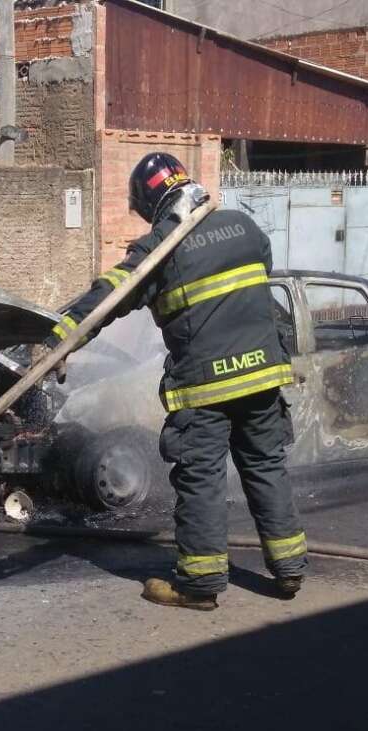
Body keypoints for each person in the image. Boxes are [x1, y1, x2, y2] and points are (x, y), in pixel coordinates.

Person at [43, 153, 307, 611]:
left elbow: (111, 295)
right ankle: (289, 571)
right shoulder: (244, 228)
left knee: (201, 477)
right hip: (264, 376)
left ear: (149, 203)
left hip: (207, 387)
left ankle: (200, 586)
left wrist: (59, 336)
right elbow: (255, 274)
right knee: (265, 467)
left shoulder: (159, 250)